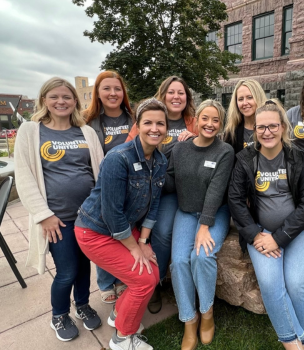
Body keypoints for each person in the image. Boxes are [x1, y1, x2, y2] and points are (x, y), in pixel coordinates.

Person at [14, 77, 105, 341]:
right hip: (57, 220)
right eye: (54, 97)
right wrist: (44, 216)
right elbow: (24, 176)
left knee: (85, 266)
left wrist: (101, 210)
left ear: (75, 101)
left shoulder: (86, 132)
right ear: (44, 100)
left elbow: (98, 171)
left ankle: (83, 305)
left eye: (66, 97)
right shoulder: (31, 132)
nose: (61, 101)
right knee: (67, 271)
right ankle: (59, 314)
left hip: (88, 219)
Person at [75, 98, 168, 350]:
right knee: (144, 280)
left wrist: (143, 241)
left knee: (153, 272)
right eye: (148, 122)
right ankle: (122, 338)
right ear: (137, 125)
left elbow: (154, 205)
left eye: (161, 123)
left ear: (166, 128)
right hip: (96, 231)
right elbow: (112, 213)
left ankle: (119, 314)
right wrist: (134, 248)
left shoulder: (160, 161)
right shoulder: (119, 157)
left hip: (126, 230)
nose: (155, 128)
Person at [228, 100, 304, 350]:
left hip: (297, 231)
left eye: (272, 126)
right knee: (270, 284)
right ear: (254, 130)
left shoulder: (298, 157)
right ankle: (296, 344)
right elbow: (235, 200)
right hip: (260, 232)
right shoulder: (245, 159)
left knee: (298, 284)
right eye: (261, 127)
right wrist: (255, 234)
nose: (267, 132)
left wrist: (279, 238)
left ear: (282, 127)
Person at [165, 100, 234, 350]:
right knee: (180, 262)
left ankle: (207, 312)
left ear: (221, 123)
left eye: (216, 120)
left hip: (215, 213)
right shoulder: (180, 149)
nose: (210, 124)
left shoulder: (224, 151)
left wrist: (204, 225)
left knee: (201, 256)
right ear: (196, 119)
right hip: (185, 212)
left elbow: (216, 190)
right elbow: (170, 181)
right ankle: (189, 319)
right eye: (205, 118)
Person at [126, 76, 198, 313]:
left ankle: (169, 280)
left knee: (175, 234)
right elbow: (131, 150)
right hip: (157, 189)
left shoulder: (193, 122)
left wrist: (195, 138)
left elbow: (209, 145)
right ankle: (154, 281)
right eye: (171, 92)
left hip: (185, 190)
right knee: (160, 230)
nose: (176, 97)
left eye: (181, 93)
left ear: (187, 98)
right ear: (163, 95)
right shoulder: (151, 119)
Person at [83, 70, 135, 304]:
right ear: (98, 93)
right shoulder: (88, 122)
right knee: (104, 234)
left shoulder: (133, 118)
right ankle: (105, 282)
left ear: (123, 93)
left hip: (132, 186)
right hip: (103, 186)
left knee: (125, 232)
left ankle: (122, 278)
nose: (113, 93)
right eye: (107, 88)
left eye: (117, 89)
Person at [223, 79, 268, 154]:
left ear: (258, 98)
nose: (245, 103)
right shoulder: (231, 133)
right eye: (240, 99)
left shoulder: (272, 128)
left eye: (250, 97)